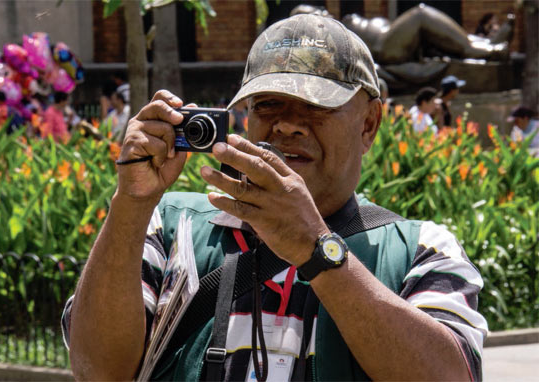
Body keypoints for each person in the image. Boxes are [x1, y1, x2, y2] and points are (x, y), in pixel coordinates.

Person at [63, 14, 487, 381]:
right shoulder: (169, 226)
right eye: (267, 105)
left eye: (316, 106)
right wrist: (131, 204)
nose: (287, 126)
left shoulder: (421, 250)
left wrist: (316, 248)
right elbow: (97, 371)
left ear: (369, 124)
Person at [341, 3, 510, 64]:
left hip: (390, 40)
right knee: (420, 15)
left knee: (432, 32)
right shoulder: (320, 23)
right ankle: (479, 50)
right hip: (383, 47)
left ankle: (487, 44)